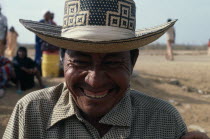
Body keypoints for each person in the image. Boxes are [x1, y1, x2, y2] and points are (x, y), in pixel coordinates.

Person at [3, 0, 209, 138]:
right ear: (63, 59)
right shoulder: (32, 113)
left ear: (133, 61)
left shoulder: (162, 121)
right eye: (80, 62)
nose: (94, 80)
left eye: (112, 62)